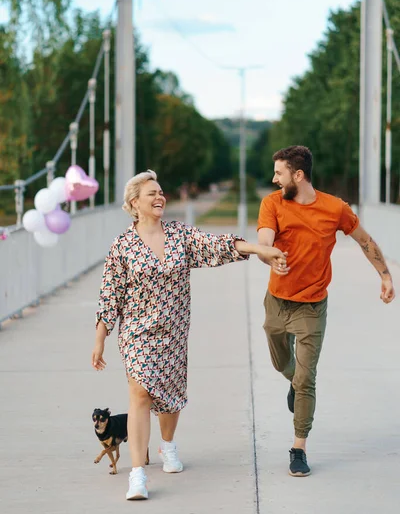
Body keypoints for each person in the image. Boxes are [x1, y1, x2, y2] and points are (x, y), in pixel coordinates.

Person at [91, 169, 287, 500]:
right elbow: (110, 294)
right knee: (139, 394)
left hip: (173, 333)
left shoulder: (180, 236)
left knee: (169, 396)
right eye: (151, 193)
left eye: (161, 191)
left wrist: (259, 250)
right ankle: (137, 475)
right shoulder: (122, 245)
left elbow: (218, 245)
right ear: (134, 203)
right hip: (137, 334)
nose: (159, 197)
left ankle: (168, 446)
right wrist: (100, 338)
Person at [257, 145, 396, 477]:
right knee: (282, 363)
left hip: (313, 305)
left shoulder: (335, 208)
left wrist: (386, 275)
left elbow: (364, 240)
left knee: (307, 379)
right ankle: (292, 379)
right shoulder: (272, 203)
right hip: (277, 300)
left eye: (279, 173)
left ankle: (298, 448)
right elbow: (264, 240)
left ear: (298, 175)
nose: (274, 179)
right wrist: (270, 254)